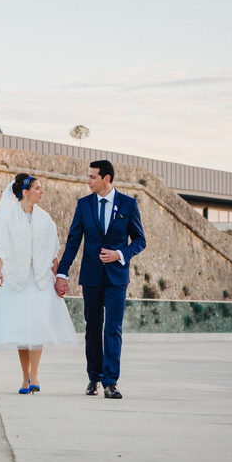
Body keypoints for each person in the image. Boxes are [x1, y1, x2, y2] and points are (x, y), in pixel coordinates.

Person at [55, 160, 146, 399]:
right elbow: (73, 241)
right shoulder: (83, 205)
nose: (88, 181)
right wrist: (62, 273)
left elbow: (140, 241)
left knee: (113, 329)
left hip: (117, 277)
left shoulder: (128, 204)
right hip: (91, 276)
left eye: (92, 177)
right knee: (93, 328)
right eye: (88, 176)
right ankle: (94, 377)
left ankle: (111, 382)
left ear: (107, 178)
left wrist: (120, 254)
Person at [0, 174, 77, 394]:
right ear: (25, 192)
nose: (41, 192)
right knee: (22, 331)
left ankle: (34, 376)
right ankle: (25, 378)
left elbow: (53, 253)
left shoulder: (45, 219)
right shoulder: (7, 218)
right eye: (37, 188)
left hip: (40, 280)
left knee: (38, 327)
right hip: (17, 279)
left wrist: (60, 277)